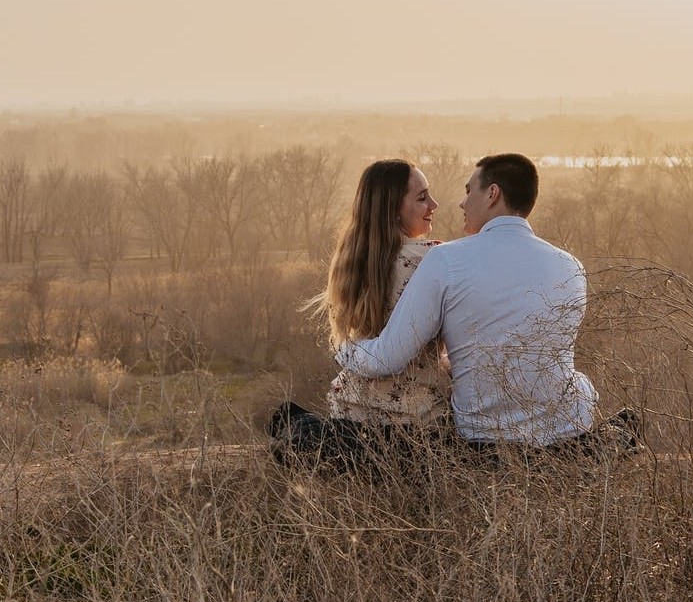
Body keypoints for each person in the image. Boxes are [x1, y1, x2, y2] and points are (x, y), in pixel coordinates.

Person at [336, 153, 638, 459]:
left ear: (492, 194)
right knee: (580, 384)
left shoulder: (446, 261)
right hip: (565, 427)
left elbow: (386, 358)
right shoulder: (571, 266)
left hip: (484, 434)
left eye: (469, 192)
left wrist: (343, 348)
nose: (461, 204)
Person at [268, 159, 451, 468]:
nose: (433, 204)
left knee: (293, 420)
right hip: (416, 420)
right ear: (393, 208)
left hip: (350, 410)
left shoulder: (356, 260)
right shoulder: (434, 259)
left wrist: (346, 352)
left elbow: (354, 338)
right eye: (421, 198)